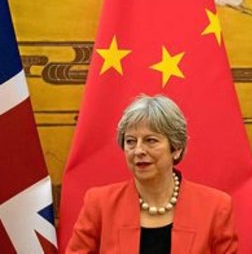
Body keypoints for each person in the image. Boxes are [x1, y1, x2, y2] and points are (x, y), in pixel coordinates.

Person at [66, 94, 238, 253]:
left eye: (151, 140)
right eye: (130, 141)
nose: (138, 150)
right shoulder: (99, 204)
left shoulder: (216, 207)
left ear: (176, 148)